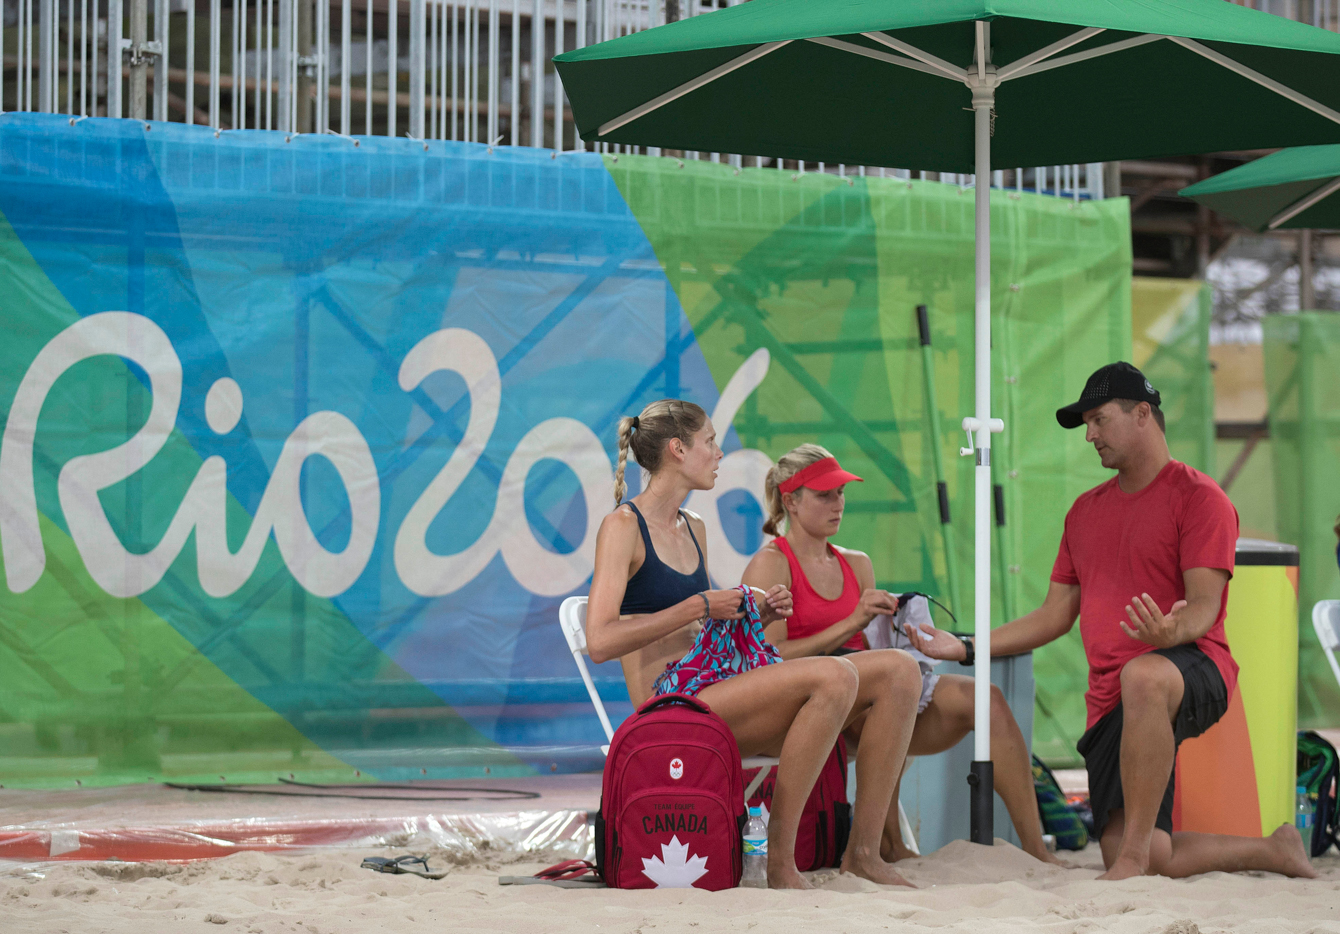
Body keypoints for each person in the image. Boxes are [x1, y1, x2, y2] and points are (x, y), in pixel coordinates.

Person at [915, 362, 1316, 881]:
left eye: (1099, 420)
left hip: (1194, 663)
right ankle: (1272, 850)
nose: (1090, 435)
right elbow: (1054, 615)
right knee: (1146, 854)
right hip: (1111, 696)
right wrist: (968, 646)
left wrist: (1170, 634)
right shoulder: (1084, 511)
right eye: (1087, 424)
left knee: (1143, 675)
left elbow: (1204, 608)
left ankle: (1129, 861)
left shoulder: (1201, 498)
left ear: (1142, 413)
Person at [586, 400, 924, 890]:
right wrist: (699, 606)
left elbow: (703, 630)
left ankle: (864, 853)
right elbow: (600, 641)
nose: (720, 453)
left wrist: (754, 613)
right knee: (834, 673)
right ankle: (781, 863)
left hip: (714, 686)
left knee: (900, 670)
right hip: (669, 706)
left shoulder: (693, 526)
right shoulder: (623, 526)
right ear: (678, 450)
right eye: (710, 442)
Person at [740, 444, 1059, 866]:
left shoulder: (856, 563)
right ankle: (878, 847)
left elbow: (874, 652)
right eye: (825, 495)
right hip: (808, 703)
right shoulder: (769, 564)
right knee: (880, 695)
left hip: (864, 692)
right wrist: (851, 623)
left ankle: (1037, 851)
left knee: (986, 700)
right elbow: (770, 659)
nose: (838, 504)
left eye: (841, 493)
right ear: (791, 501)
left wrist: (908, 634)